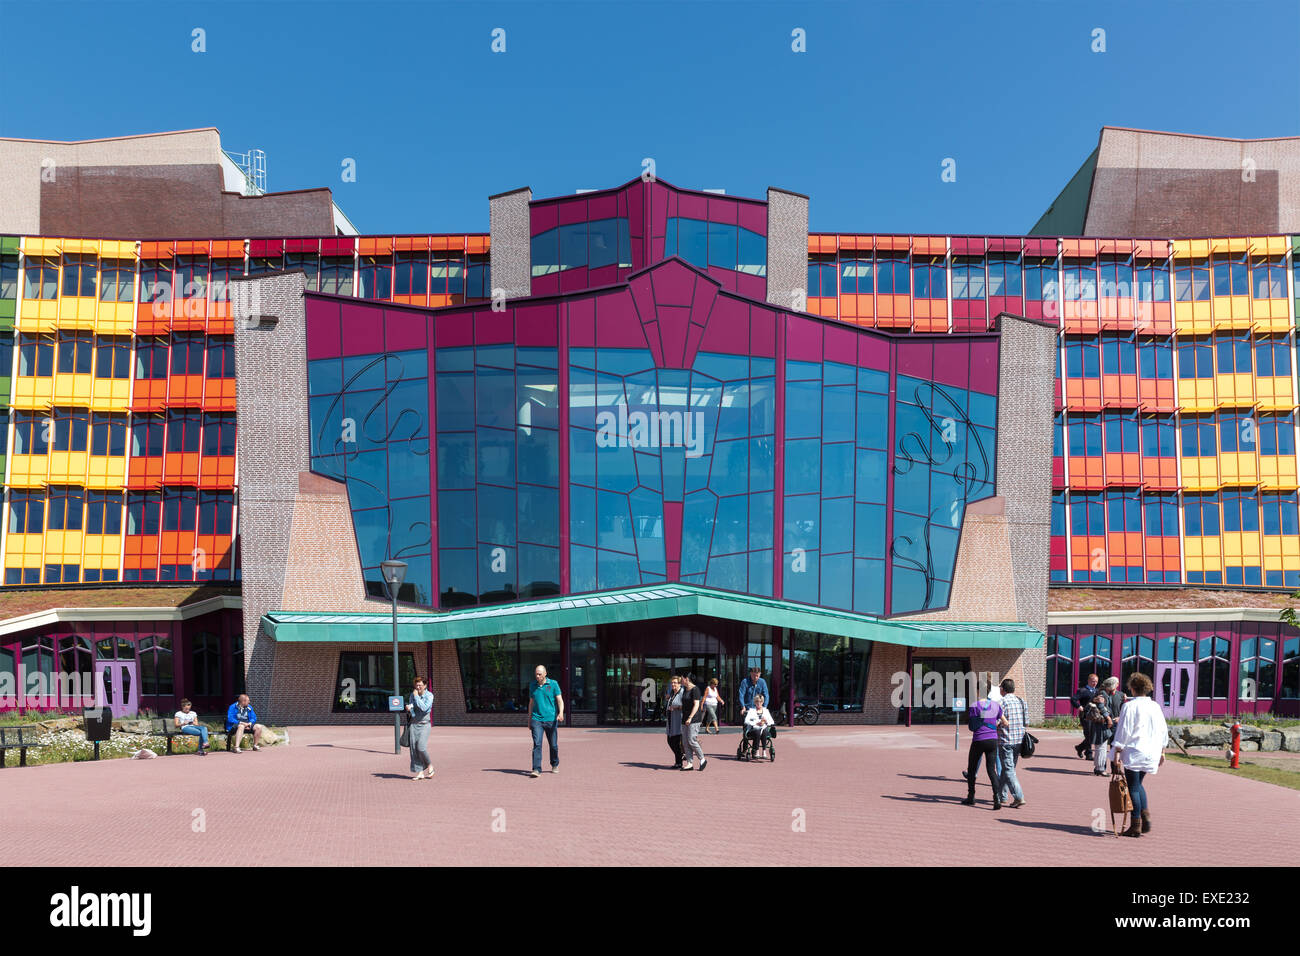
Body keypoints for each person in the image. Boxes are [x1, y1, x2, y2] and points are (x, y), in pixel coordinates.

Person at [1110, 672, 1168, 838]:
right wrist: (1163, 750)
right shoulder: (1155, 706)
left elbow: (1124, 730)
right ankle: (1145, 815)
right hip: (1152, 751)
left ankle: (1135, 823)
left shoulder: (1129, 706)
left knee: (1133, 786)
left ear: (1132, 688)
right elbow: (1163, 729)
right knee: (1138, 784)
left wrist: (1117, 750)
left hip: (1135, 750)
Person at [961, 693, 1003, 809]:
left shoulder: (975, 705)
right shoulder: (996, 705)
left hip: (979, 740)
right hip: (993, 740)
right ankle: (997, 798)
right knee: (991, 770)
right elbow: (999, 718)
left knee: (972, 769)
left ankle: (971, 797)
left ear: (979, 692)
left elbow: (972, 725)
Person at [527, 665, 563, 778]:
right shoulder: (533, 685)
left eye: (540, 674)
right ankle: (536, 769)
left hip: (551, 720)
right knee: (537, 744)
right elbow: (531, 703)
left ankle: (554, 764)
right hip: (536, 719)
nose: (537, 676)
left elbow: (560, 700)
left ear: (545, 673)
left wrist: (561, 713)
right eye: (536, 674)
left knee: (553, 745)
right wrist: (529, 719)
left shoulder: (553, 684)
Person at [996, 678, 1026, 808]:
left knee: (1008, 770)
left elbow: (996, 721)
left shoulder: (1001, 702)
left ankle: (1019, 797)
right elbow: (1027, 721)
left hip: (1005, 740)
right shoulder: (1021, 701)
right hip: (1019, 740)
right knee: (1007, 769)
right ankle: (1002, 796)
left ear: (1003, 689)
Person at [405, 676, 435, 780]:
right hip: (414, 724)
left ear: (425, 685)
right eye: (416, 685)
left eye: (420, 685)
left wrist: (416, 697)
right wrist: (409, 709)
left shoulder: (429, 695)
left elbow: (424, 708)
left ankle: (430, 765)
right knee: (414, 749)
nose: (418, 687)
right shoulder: (412, 695)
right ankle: (420, 772)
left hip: (425, 724)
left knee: (421, 747)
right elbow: (413, 709)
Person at [679, 672, 707, 771]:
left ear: (687, 679)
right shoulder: (685, 690)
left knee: (691, 740)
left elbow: (696, 705)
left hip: (694, 719)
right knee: (685, 742)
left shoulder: (695, 689)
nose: (680, 680)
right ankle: (690, 763)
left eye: (681, 678)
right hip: (685, 719)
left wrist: (690, 717)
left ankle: (702, 759)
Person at [1084, 691, 1114, 776]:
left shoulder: (1099, 694)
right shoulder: (1103, 695)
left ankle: (1098, 768)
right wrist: (1109, 718)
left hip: (1097, 726)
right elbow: (1102, 708)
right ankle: (1100, 769)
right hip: (1101, 727)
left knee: (1099, 748)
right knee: (1101, 748)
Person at [1073, 673, 1100, 759]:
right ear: (1088, 681)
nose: (1094, 683)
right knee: (1088, 734)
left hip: (1095, 716)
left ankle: (1080, 747)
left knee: (1093, 735)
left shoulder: (1097, 691)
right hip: (1085, 716)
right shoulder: (1083, 691)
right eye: (1093, 681)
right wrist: (1079, 706)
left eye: (1096, 682)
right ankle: (1089, 754)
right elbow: (1073, 699)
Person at [743, 692, 776, 758]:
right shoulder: (751, 711)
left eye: (760, 701)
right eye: (757, 701)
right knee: (757, 732)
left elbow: (771, 721)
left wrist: (766, 721)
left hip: (763, 728)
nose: (759, 703)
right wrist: (756, 723)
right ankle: (757, 751)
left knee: (764, 731)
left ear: (762, 702)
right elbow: (746, 721)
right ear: (755, 702)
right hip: (753, 729)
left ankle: (764, 751)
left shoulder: (766, 711)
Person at [665, 675, 685, 768]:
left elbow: (687, 706)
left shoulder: (682, 693)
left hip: (678, 722)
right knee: (670, 741)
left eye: (675, 683)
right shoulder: (672, 693)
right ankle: (679, 759)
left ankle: (679, 762)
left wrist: (676, 707)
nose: (673, 684)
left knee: (675, 742)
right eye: (672, 683)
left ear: (680, 684)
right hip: (671, 721)